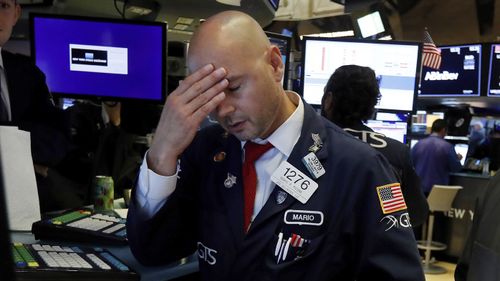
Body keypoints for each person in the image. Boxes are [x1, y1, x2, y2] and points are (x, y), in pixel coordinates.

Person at [126, 10, 424, 281]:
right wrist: (162, 152)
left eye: (234, 87)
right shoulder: (205, 151)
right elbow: (153, 251)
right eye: (209, 96)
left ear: (274, 64)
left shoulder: (359, 168)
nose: (223, 110)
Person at [320, 64, 429, 227]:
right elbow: (415, 214)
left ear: (328, 100)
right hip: (376, 248)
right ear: (372, 106)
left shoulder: (309, 144)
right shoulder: (395, 152)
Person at [0, 0, 71, 212]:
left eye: (3, 6)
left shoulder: (28, 73)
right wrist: (24, 160)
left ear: (16, 13)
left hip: (26, 210)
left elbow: (57, 139)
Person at [411, 119, 463, 196]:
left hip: (419, 190)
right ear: (443, 130)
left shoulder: (418, 144)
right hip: (438, 191)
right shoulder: (447, 147)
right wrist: (457, 159)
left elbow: (410, 165)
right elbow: (456, 168)